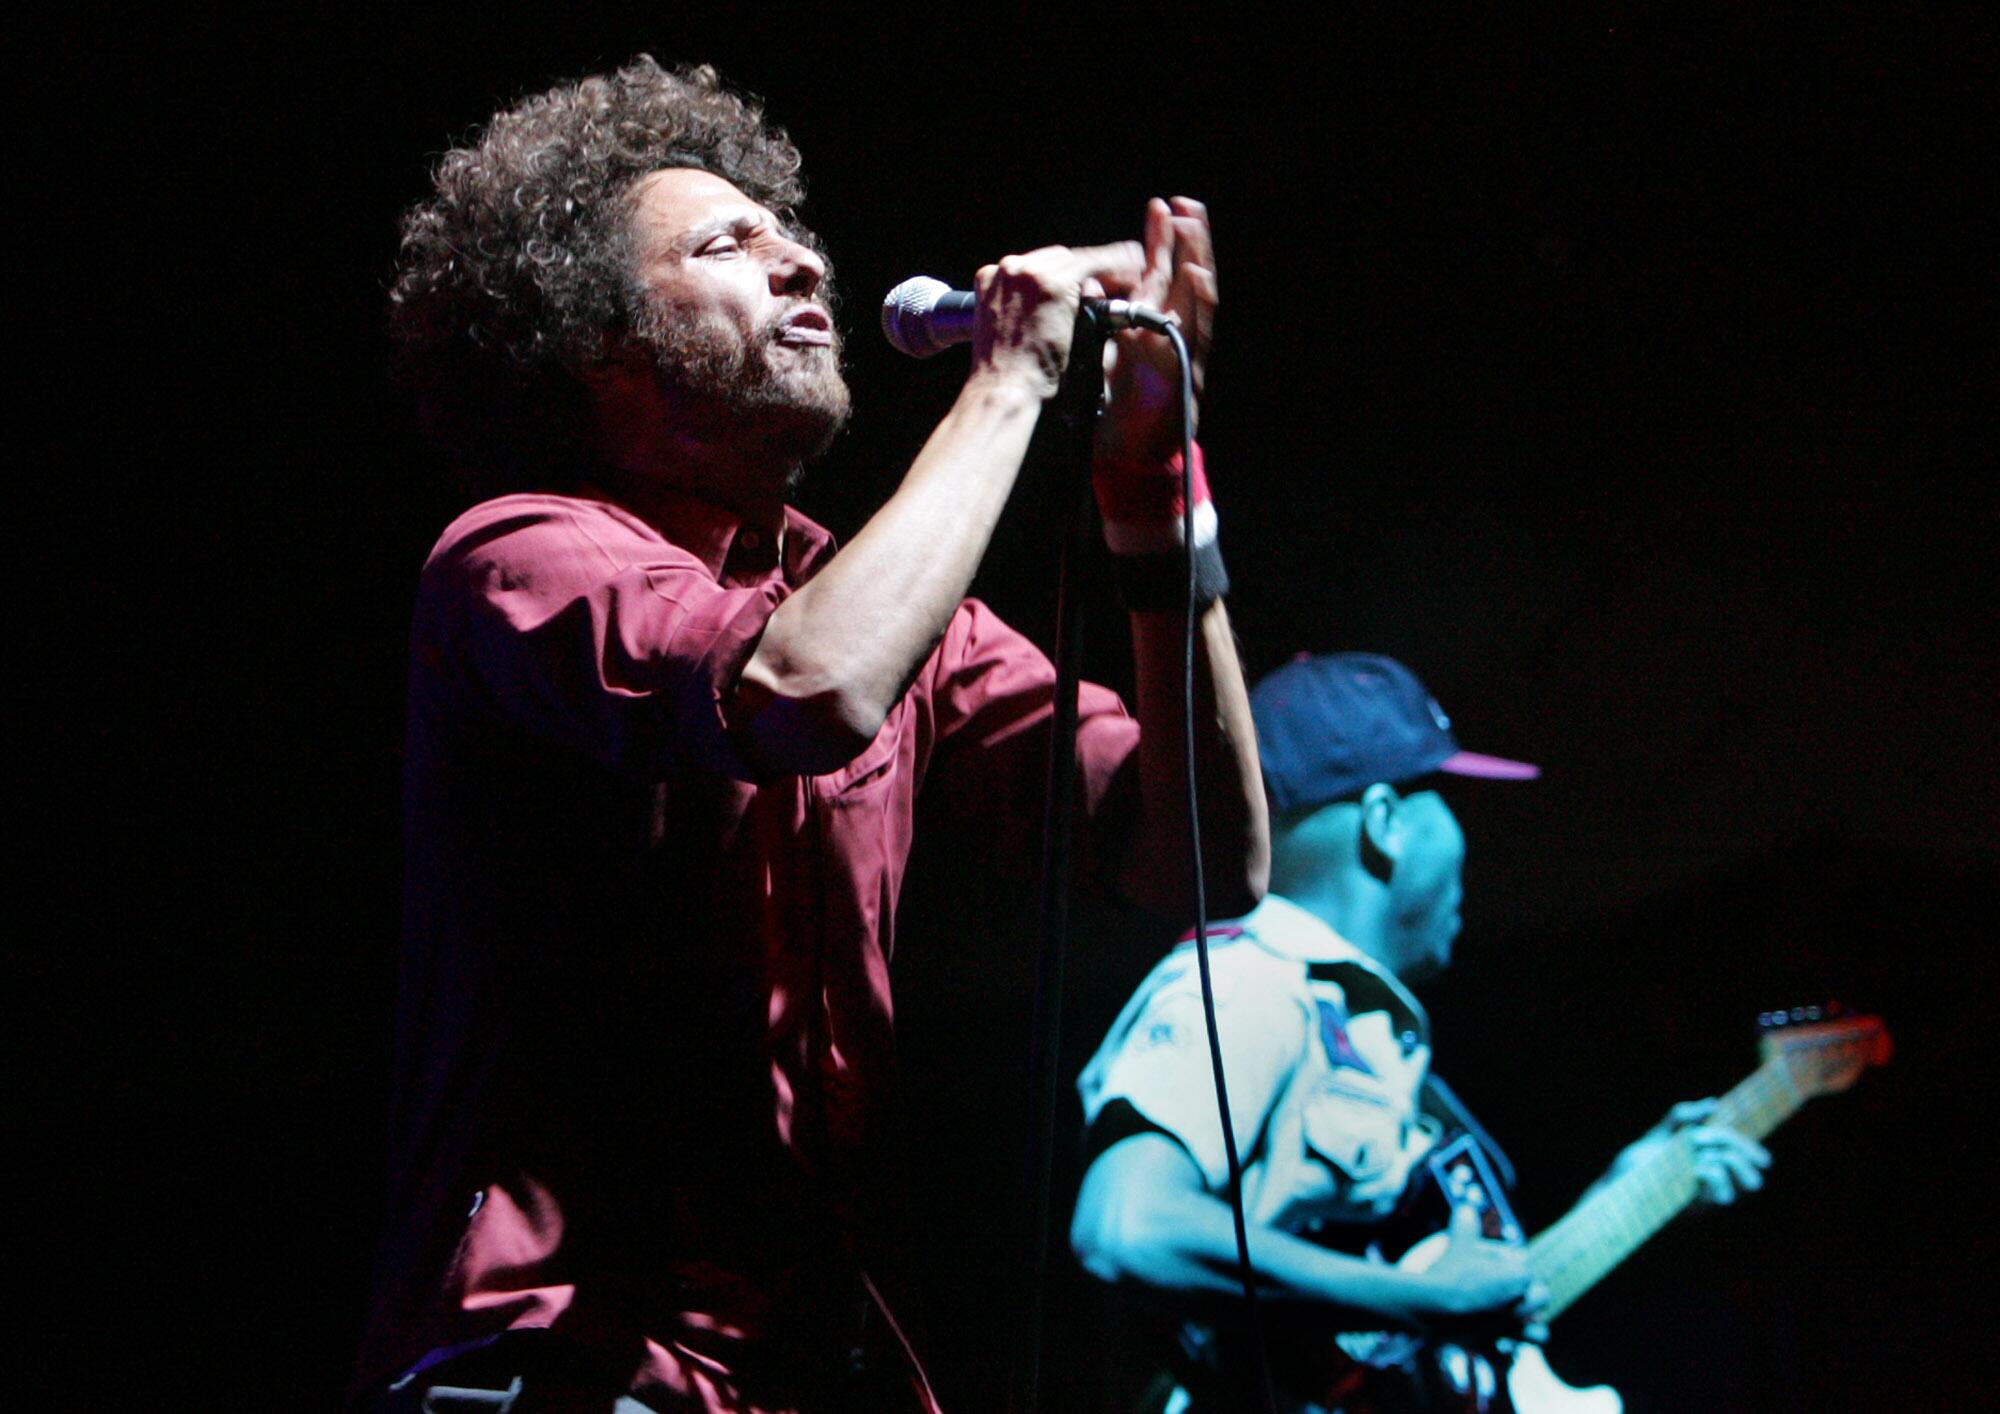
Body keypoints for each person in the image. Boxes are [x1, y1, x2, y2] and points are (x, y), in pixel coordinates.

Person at [355, 57, 1269, 1414]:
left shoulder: (884, 610)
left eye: (799, 240)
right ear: (591, 338)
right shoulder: (515, 556)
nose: (802, 267)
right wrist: (1010, 381)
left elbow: (1191, 864)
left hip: (805, 1368)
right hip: (563, 1360)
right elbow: (796, 690)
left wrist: (1157, 498)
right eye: (730, 243)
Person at [1071, 653, 1770, 1412]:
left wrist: (1628, 1194)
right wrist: (1414, 1299)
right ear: (1385, 823)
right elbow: (1127, 1224)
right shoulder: (1251, 984)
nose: (1473, 844)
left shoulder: (1363, 1031)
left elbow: (1442, 1308)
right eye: (1446, 798)